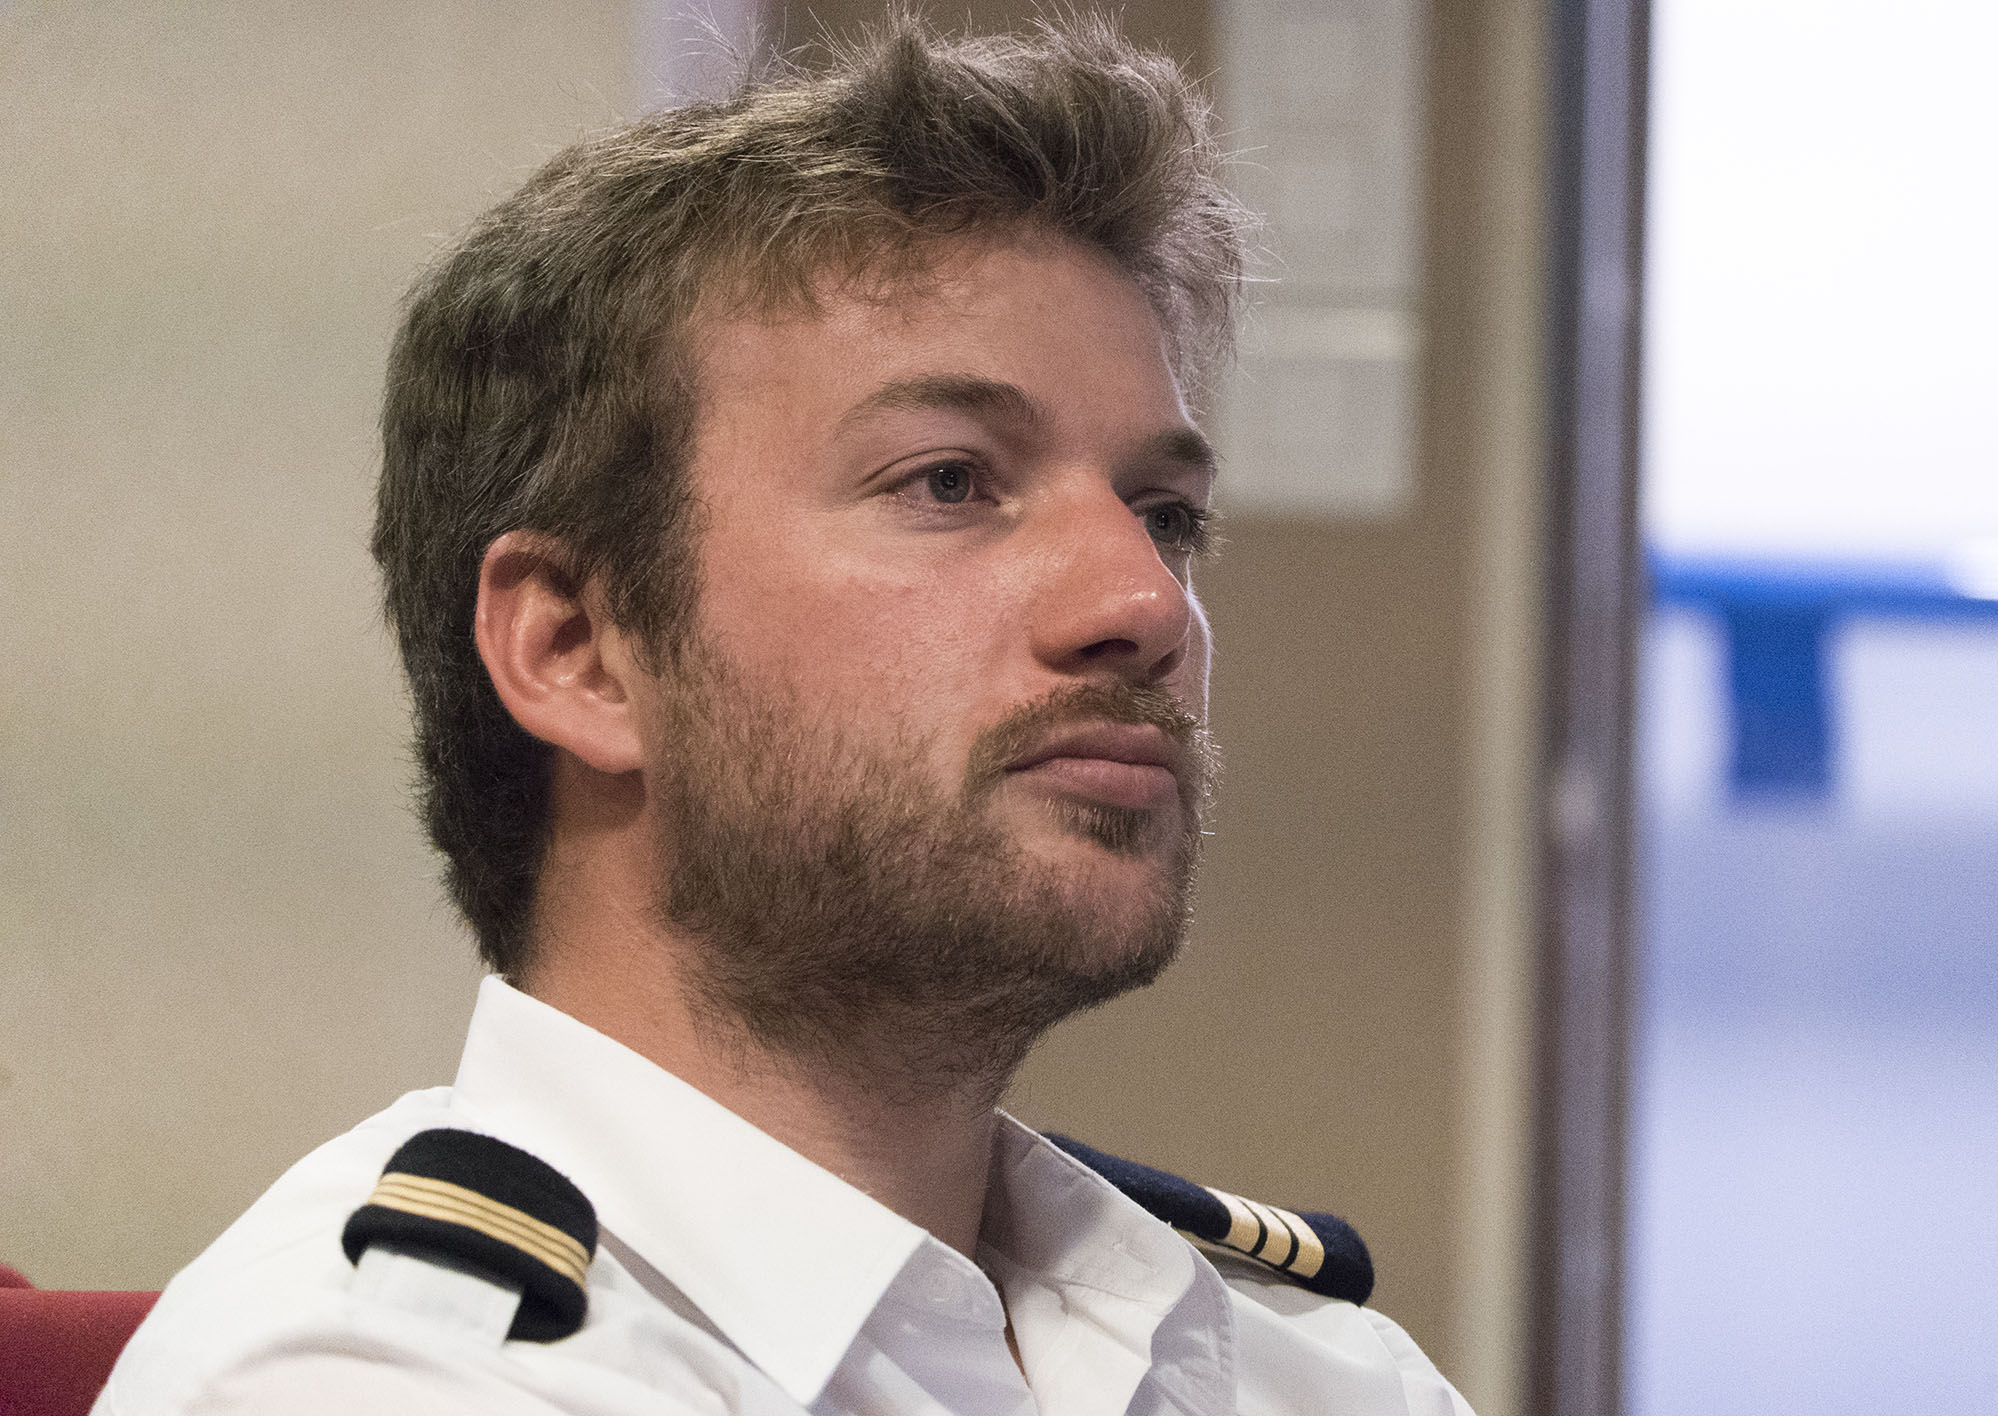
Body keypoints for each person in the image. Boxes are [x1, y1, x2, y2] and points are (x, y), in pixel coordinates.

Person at [98, 17, 1473, 1415]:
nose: (1144, 600)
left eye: (1165, 514)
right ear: (577, 648)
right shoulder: (380, 1377)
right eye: (949, 481)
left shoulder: (1313, 1365)